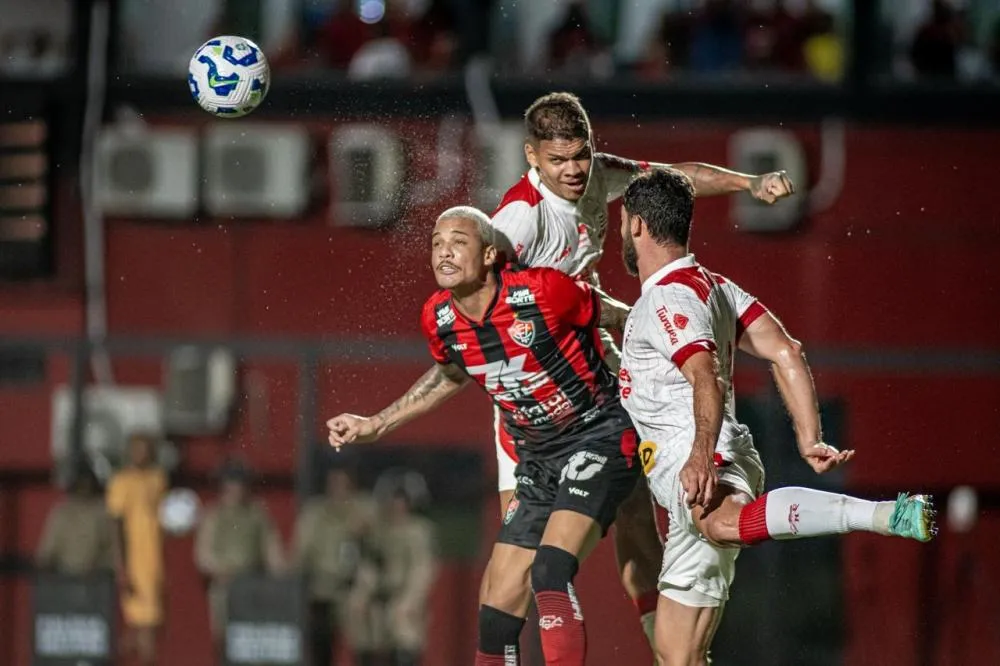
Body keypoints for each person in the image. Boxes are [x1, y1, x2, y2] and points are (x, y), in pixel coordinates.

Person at [489, 90, 796, 645]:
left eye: (580, 155)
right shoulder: (519, 219)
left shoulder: (599, 175)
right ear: (531, 156)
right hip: (532, 394)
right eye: (558, 160)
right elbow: (481, 295)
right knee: (518, 564)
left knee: (635, 503)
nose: (574, 170)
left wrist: (748, 184)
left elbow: (675, 179)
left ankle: (661, 643)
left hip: (592, 370)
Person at [616, 167, 936, 665]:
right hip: (692, 480)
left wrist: (701, 455)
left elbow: (705, 376)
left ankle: (882, 515)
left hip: (704, 464)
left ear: (636, 224)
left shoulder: (666, 297)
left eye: (621, 221)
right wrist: (809, 436)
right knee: (676, 655)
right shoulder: (714, 286)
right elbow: (785, 349)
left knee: (723, 524)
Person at [327, 206, 638, 665]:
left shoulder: (543, 291)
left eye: (458, 242)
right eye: (436, 244)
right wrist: (377, 423)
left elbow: (626, 318)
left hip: (599, 437)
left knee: (550, 570)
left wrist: (663, 393)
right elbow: (450, 375)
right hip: (538, 459)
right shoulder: (438, 319)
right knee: (495, 611)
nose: (444, 252)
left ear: (490, 254)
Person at [195, 460, 286, 661]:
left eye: (240, 483)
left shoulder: (257, 515)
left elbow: (271, 549)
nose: (236, 489)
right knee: (224, 637)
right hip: (224, 587)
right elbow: (203, 555)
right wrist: (220, 570)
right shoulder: (214, 515)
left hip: (253, 585)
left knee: (251, 639)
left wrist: (281, 577)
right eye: (232, 483)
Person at [348, 473, 436, 666]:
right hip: (379, 594)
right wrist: (362, 594)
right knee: (361, 620)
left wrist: (409, 601)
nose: (397, 506)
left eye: (402, 501)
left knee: (402, 627)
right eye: (394, 501)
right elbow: (369, 564)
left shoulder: (418, 532)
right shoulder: (379, 531)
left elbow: (421, 571)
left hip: (405, 596)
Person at [293, 465, 374, 666]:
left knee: (363, 635)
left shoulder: (363, 508)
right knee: (319, 636)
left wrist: (363, 529)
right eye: (334, 483)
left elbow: (376, 544)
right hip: (321, 588)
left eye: (343, 484)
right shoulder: (315, 513)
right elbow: (300, 551)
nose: (338, 489)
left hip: (353, 589)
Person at [106, 434, 168, 666]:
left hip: (157, 562)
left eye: (146, 449)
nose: (142, 454)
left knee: (144, 627)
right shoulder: (121, 481)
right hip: (136, 563)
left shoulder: (158, 479)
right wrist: (121, 565)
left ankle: (106, 656)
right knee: (146, 627)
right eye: (137, 449)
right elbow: (116, 525)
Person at [36, 465, 113, 575]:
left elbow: (112, 549)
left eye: (87, 483)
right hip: (65, 576)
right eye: (81, 483)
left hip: (96, 577)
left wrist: (104, 569)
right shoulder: (62, 513)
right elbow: (47, 551)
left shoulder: (103, 512)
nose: (84, 487)